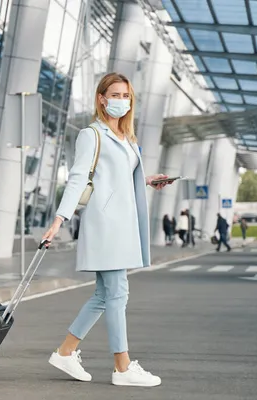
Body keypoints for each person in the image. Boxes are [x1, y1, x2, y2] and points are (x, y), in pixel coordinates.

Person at [41, 72, 173, 388]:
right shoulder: (92, 134)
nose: (121, 101)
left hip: (122, 223)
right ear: (102, 98)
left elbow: (116, 179)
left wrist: (146, 180)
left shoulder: (126, 138)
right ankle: (123, 367)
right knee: (117, 292)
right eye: (115, 95)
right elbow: (77, 179)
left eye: (126, 96)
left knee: (104, 294)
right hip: (105, 223)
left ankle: (66, 351)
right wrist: (58, 220)